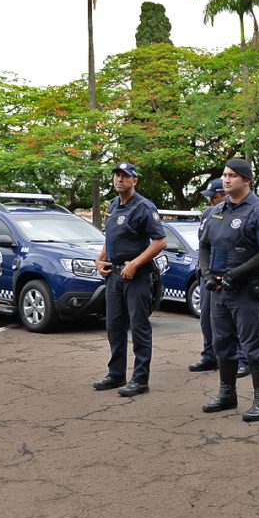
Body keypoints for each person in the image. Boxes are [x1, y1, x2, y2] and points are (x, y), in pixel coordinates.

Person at [197, 158, 259, 421]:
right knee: (222, 343)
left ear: (246, 180)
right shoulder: (215, 211)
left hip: (245, 290)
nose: (226, 179)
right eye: (224, 174)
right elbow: (204, 245)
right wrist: (207, 272)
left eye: (232, 175)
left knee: (253, 345)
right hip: (218, 289)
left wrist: (236, 273)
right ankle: (227, 394)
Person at [93, 162, 168, 397]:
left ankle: (140, 379)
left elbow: (160, 241)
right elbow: (111, 236)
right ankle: (116, 374)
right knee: (114, 326)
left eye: (125, 176)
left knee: (139, 328)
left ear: (134, 181)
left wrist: (135, 264)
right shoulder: (113, 205)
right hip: (114, 275)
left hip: (137, 276)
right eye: (117, 175)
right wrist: (100, 259)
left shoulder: (144, 207)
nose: (119, 179)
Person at [189, 179, 249, 378]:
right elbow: (204, 244)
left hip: (229, 274)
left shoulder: (239, 212)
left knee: (233, 322)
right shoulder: (209, 213)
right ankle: (209, 356)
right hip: (207, 273)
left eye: (213, 197)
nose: (210, 201)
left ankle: (241, 360)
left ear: (223, 194)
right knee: (207, 319)